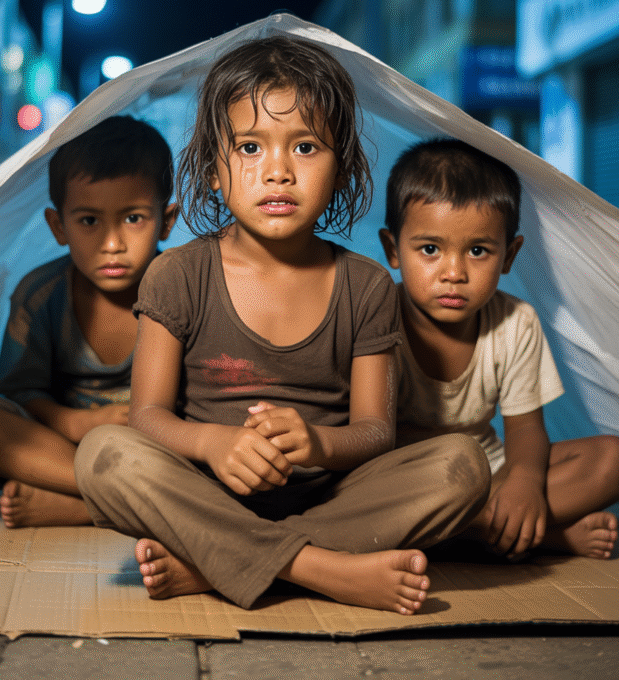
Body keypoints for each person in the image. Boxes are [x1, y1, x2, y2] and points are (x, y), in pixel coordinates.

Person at [73, 37, 492, 615]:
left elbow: (375, 432)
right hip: (203, 493)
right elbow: (146, 417)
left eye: (305, 147)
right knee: (104, 454)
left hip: (328, 498)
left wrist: (318, 443)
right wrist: (213, 442)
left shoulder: (365, 285)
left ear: (341, 169)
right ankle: (318, 569)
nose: (277, 171)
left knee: (462, 467)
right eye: (249, 147)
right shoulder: (178, 275)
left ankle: (217, 564)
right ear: (213, 172)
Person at [379, 137, 619, 561]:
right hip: (403, 484)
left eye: (478, 251)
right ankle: (522, 533)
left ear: (509, 255)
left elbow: (524, 429)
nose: (454, 272)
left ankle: (495, 523)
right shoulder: (376, 316)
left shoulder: (515, 322)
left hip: (486, 475)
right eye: (430, 249)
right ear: (393, 250)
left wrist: (524, 483)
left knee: (614, 460)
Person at [0, 115, 177, 529]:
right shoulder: (41, 294)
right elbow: (23, 391)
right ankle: (126, 502)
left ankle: (87, 507)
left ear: (168, 219)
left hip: (157, 450)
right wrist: (74, 421)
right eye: (89, 221)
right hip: (64, 449)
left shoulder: (185, 290)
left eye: (133, 219)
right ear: (59, 226)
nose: (112, 244)